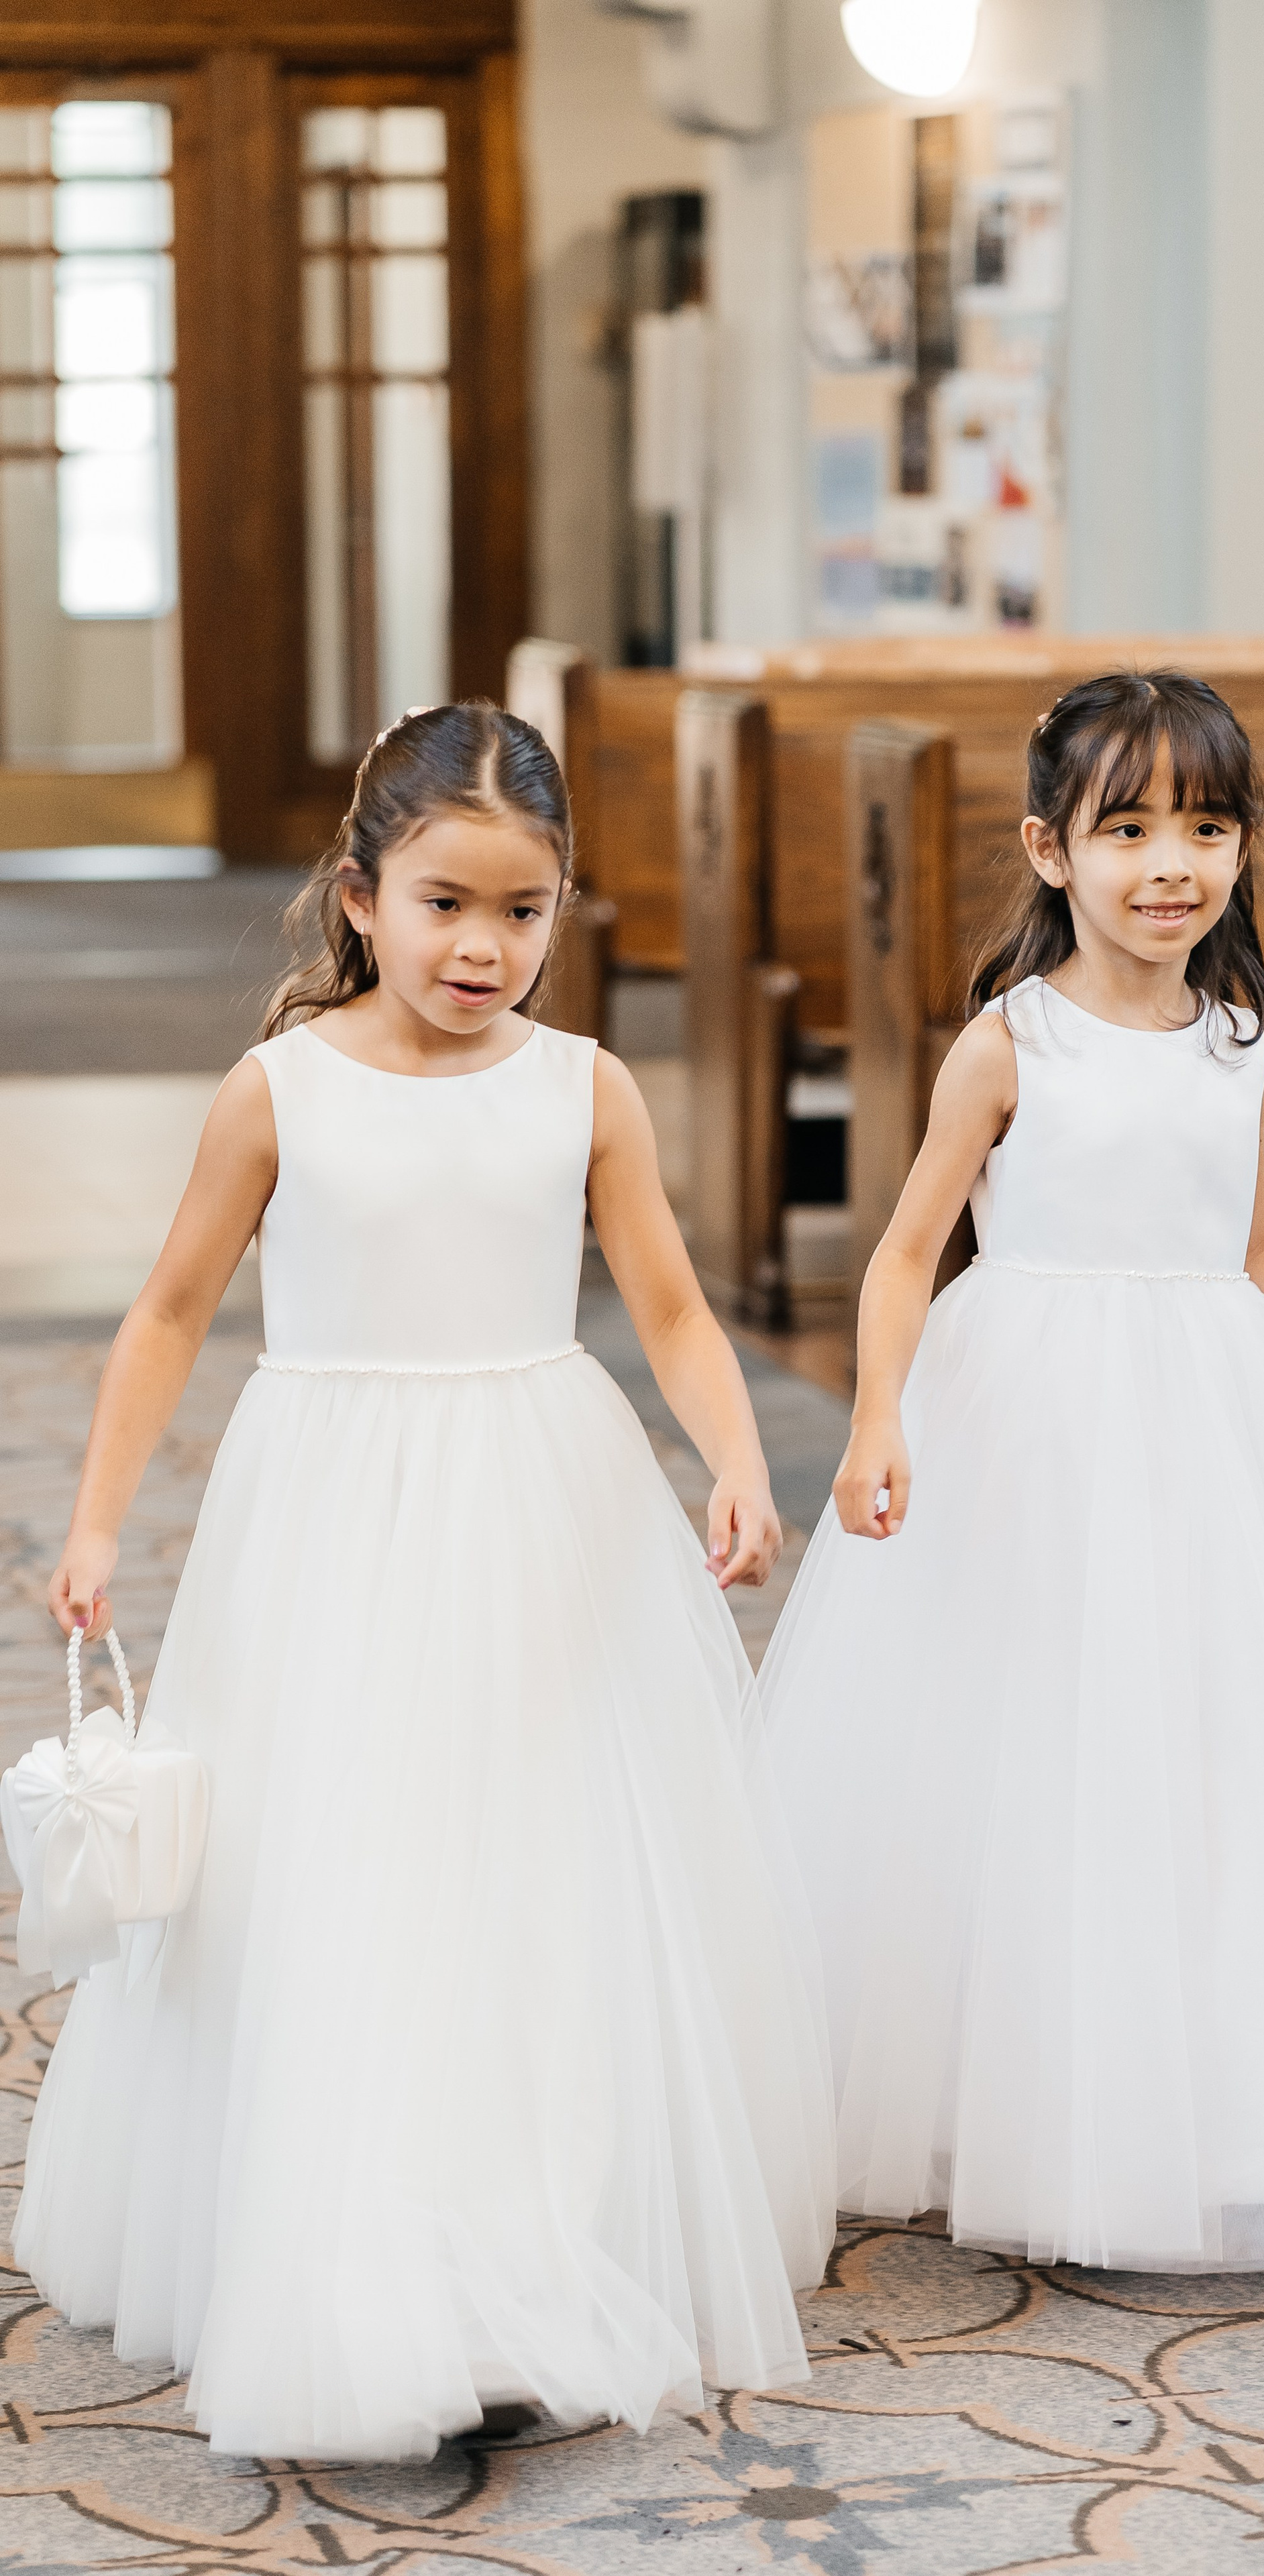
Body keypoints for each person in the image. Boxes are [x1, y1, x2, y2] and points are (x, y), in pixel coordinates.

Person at [15, 702, 834, 2461]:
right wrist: (95, 1519)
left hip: (542, 1502)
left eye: (525, 912)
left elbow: (676, 1308)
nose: (484, 947)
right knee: (344, 1855)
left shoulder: (584, 1090)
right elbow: (165, 1313)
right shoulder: (281, 1090)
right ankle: (351, 2227)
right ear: (363, 894)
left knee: (530, 1852)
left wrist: (740, 1458)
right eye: (448, 902)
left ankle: (530, 2220)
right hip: (326, 1511)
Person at [761, 669, 1264, 2273]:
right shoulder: (1010, 1045)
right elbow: (904, 1250)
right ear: (1049, 849)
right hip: (1024, 1411)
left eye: (1206, 828)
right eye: (1127, 826)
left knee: (1210, 1745)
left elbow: (1255, 1250)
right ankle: (997, 2085)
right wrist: (877, 1413)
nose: (1171, 863)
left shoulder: (1242, 1044)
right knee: (1020, 1740)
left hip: (1212, 1429)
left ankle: (1212, 2099)